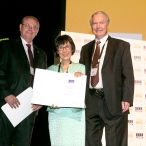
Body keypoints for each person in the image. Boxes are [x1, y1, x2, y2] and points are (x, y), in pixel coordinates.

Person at [79, 11, 134, 146]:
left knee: (115, 142)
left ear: (107, 24)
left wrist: (126, 98)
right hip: (91, 102)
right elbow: (81, 73)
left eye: (101, 22)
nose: (98, 26)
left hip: (114, 102)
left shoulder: (121, 46)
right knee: (91, 142)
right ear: (91, 25)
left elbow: (128, 74)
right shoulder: (85, 49)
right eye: (94, 23)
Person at [0, 16, 47, 146]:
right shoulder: (7, 46)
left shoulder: (42, 54)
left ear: (37, 31)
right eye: (27, 25)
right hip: (8, 104)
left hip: (29, 107)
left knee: (23, 142)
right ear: (20, 27)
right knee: (4, 142)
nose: (30, 29)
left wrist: (41, 100)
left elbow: (42, 80)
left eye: (34, 27)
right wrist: (6, 94)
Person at [47, 34, 85, 146]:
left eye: (67, 46)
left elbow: (87, 93)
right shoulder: (50, 70)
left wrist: (82, 78)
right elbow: (46, 94)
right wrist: (49, 103)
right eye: (61, 47)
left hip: (76, 115)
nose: (64, 50)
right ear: (57, 50)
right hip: (56, 115)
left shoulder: (81, 68)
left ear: (72, 48)